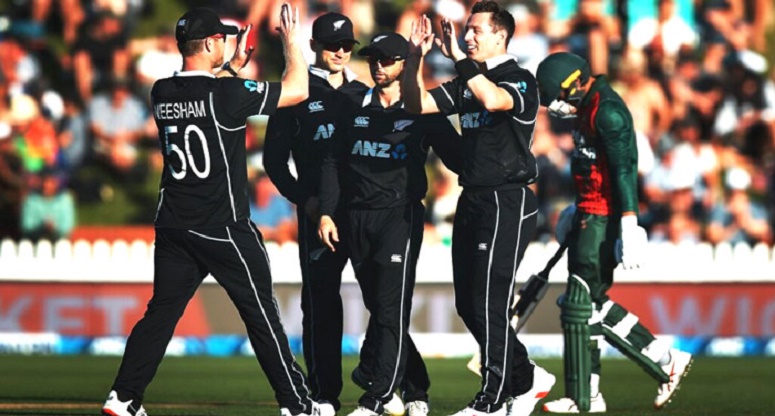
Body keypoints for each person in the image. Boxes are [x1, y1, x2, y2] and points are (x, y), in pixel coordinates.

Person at [100, 5, 317, 416]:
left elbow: (203, 98)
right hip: (222, 225)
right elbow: (297, 90)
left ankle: (123, 397)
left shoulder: (161, 91)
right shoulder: (227, 94)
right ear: (213, 43)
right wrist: (291, 43)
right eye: (222, 39)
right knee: (261, 315)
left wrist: (232, 68)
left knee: (160, 315)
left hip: (173, 224)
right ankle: (297, 405)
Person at [401, 2, 556, 415]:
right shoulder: (468, 79)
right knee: (469, 305)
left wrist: (457, 58)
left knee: (489, 302)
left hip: (507, 198)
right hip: (472, 198)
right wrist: (415, 57)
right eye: (466, 30)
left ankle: (491, 399)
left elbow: (491, 100)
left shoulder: (519, 79)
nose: (467, 37)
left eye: (476, 31)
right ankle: (527, 378)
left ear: (501, 37)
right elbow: (416, 105)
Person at [535, 51, 693, 413]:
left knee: (581, 305)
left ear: (575, 83)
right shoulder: (586, 107)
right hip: (589, 213)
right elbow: (591, 168)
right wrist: (576, 208)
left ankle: (659, 363)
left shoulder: (607, 112)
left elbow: (624, 170)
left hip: (604, 218)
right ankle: (592, 393)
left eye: (558, 96)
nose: (556, 105)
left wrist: (629, 223)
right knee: (588, 305)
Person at [317, 32, 462, 416]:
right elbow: (333, 162)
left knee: (389, 309)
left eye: (387, 60)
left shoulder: (423, 111)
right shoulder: (352, 105)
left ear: (405, 64)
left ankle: (376, 397)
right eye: (373, 59)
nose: (378, 66)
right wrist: (327, 212)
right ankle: (416, 389)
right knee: (382, 310)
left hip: (399, 217)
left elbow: (460, 158)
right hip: (355, 218)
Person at [263, 12, 370, 416]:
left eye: (346, 46)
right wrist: (304, 201)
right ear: (313, 47)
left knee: (384, 302)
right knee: (321, 304)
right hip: (317, 216)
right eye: (331, 45)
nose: (339, 52)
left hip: (364, 212)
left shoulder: (364, 93)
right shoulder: (296, 93)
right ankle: (324, 394)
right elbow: (274, 163)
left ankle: (402, 388)